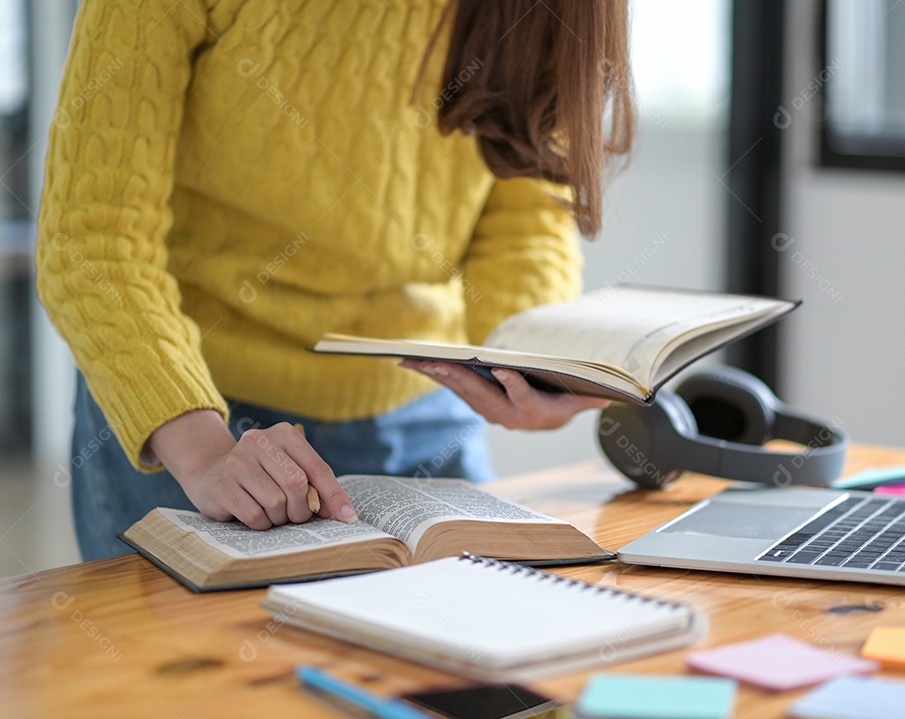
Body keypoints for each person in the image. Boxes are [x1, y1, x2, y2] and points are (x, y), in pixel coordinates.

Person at [36, 0, 635, 561]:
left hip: (425, 409)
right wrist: (205, 453)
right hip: (189, 414)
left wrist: (521, 366)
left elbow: (523, 210)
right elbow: (93, 239)